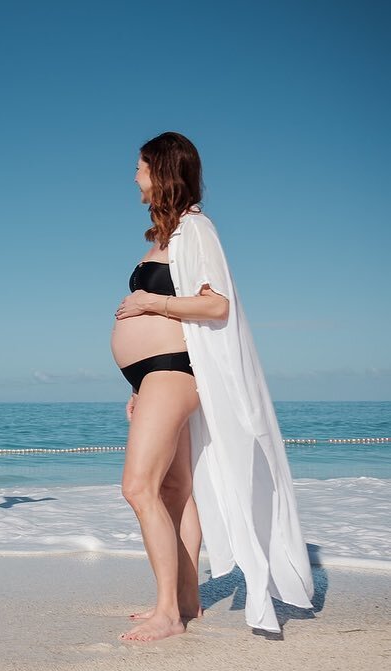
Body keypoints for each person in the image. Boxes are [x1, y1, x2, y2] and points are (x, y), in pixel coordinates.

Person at [112, 131, 313, 641]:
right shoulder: (169, 236)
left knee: (138, 487)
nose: (133, 176)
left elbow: (216, 304)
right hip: (156, 373)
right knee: (175, 489)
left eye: (139, 167)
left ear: (161, 171)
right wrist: (139, 381)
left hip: (173, 369)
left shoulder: (197, 229)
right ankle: (185, 600)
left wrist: (149, 304)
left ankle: (167, 615)